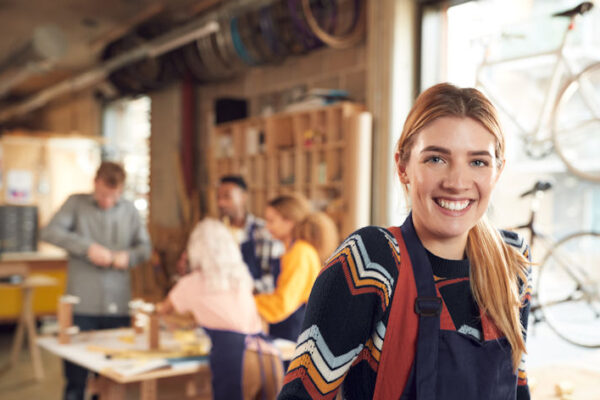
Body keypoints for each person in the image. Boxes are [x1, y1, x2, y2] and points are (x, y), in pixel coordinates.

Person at [278, 83, 532, 400]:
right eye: (436, 159)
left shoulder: (512, 261)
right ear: (403, 167)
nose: (456, 182)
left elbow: (518, 389)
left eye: (478, 162)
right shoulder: (371, 261)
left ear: (497, 172)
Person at [40, 161, 152, 400]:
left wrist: (129, 256)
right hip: (83, 304)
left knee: (112, 376)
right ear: (95, 183)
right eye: (102, 195)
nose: (107, 201)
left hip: (117, 303)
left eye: (114, 196)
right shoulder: (76, 204)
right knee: (76, 377)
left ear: (121, 190)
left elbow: (145, 248)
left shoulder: (130, 210)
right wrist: (85, 248)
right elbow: (48, 232)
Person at [157, 218, 284, 400]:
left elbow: (163, 311)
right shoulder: (242, 280)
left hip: (237, 360)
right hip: (270, 356)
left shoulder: (191, 283)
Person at [255, 193, 339, 342]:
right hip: (289, 328)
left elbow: (282, 303)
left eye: (271, 221)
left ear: (289, 222)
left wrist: (247, 302)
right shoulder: (293, 250)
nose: (267, 227)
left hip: (295, 332)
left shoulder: (300, 252)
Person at [178, 175, 284, 293]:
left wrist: (243, 290)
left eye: (227, 197)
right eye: (218, 198)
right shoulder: (210, 234)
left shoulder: (264, 232)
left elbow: (273, 280)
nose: (221, 203)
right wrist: (187, 268)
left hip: (255, 304)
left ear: (243, 197)